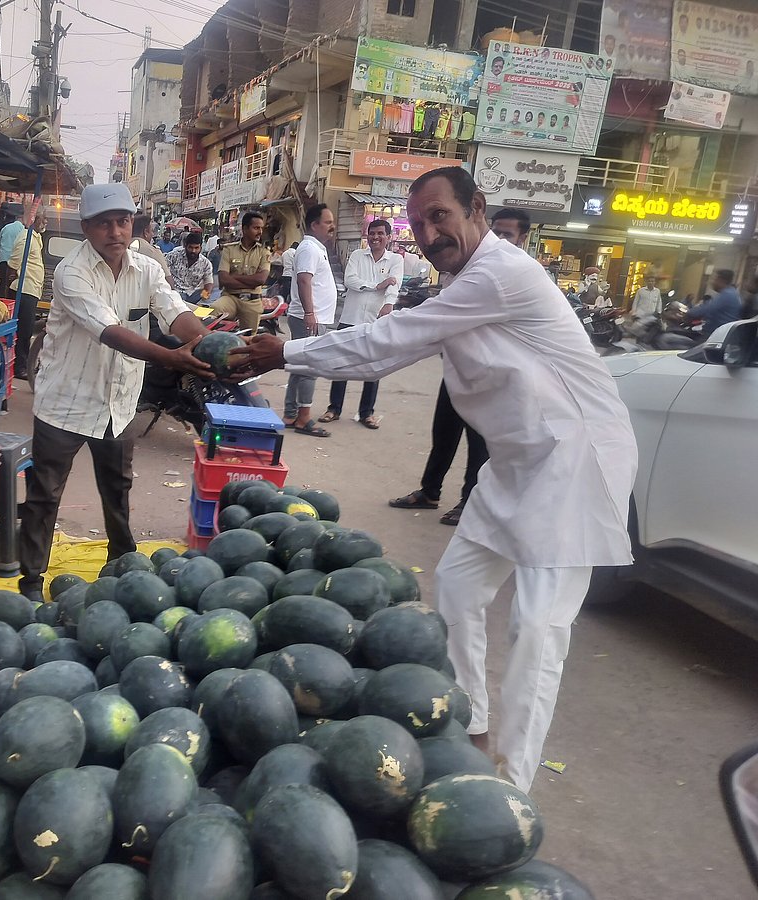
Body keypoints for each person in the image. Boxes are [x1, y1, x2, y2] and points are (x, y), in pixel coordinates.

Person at [231, 167, 637, 792]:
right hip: (517, 458)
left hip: (575, 455)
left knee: (537, 627)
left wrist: (285, 352)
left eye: (439, 216)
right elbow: (392, 354)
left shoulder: (500, 273)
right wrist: (292, 356)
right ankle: (472, 726)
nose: (428, 232)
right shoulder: (460, 283)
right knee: (457, 585)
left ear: (476, 208)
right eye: (418, 223)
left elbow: (394, 334)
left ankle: (511, 788)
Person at [18, 184, 214, 602]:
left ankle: (121, 565)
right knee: (44, 494)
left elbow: (174, 311)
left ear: (132, 224)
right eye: (104, 223)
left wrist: (209, 347)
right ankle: (31, 581)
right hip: (66, 402)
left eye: (122, 221)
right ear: (86, 228)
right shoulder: (72, 273)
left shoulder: (147, 269)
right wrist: (173, 358)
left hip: (119, 404)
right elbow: (109, 330)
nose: (115, 231)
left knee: (117, 489)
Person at [388, 208, 529, 527]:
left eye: (508, 234)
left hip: (490, 378)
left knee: (479, 443)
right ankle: (429, 491)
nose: (500, 237)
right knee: (444, 433)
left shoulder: (515, 272)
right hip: (456, 369)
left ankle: (470, 501)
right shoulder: (466, 267)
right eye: (498, 231)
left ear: (523, 238)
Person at [323, 218, 402, 428]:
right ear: (367, 235)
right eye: (372, 233)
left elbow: (395, 285)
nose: (375, 237)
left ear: (388, 237)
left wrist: (389, 303)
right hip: (350, 318)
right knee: (341, 365)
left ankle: (367, 412)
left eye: (380, 234)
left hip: (375, 320)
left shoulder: (395, 260)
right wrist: (377, 286)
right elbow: (350, 280)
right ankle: (333, 409)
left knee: (373, 368)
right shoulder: (357, 255)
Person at [283, 203, 337, 438]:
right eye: (328, 222)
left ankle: (291, 413)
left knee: (300, 366)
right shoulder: (309, 249)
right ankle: (303, 418)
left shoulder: (315, 248)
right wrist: (310, 313)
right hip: (310, 318)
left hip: (314, 316)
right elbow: (304, 280)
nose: (332, 226)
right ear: (314, 225)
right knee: (309, 368)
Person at [214, 211, 271, 334]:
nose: (260, 232)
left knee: (248, 339)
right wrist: (250, 282)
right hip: (230, 298)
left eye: (261, 228)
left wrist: (234, 277)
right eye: (256, 228)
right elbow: (223, 279)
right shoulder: (229, 249)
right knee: (212, 310)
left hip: (252, 301)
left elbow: (260, 280)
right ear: (245, 229)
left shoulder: (264, 252)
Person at [7, 209, 46, 379]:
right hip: (23, 290)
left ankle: (21, 364)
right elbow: (13, 263)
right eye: (43, 219)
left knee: (27, 330)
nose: (45, 223)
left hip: (32, 290)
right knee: (24, 331)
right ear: (35, 219)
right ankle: (19, 367)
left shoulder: (36, 238)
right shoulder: (25, 238)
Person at [685, 269, 742, 338]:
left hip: (713, 336)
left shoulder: (727, 295)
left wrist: (688, 312)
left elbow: (705, 309)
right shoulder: (731, 293)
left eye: (715, 279)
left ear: (721, 280)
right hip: (716, 333)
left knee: (673, 340)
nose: (712, 282)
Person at [165, 232, 214, 304]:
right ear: (185, 246)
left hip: (194, 294)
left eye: (196, 248)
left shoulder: (206, 263)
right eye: (190, 247)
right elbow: (161, 268)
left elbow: (208, 282)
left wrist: (205, 295)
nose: (193, 251)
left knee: (210, 302)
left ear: (201, 248)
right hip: (175, 292)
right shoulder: (173, 256)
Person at [129, 213, 174, 287]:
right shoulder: (153, 252)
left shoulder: (121, 249)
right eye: (151, 231)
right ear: (145, 232)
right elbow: (169, 283)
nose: (152, 234)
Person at [0, 211, 25, 296]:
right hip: (15, 261)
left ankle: (2, 298)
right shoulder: (23, 230)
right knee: (13, 283)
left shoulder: (6, 227)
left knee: (3, 282)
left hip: (3, 258)